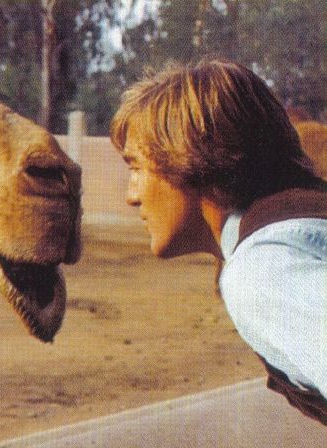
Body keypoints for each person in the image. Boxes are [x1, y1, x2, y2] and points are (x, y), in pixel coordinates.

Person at [110, 59, 326, 424]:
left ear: (187, 158)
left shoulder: (260, 273)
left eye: (136, 168)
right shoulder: (299, 223)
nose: (131, 196)